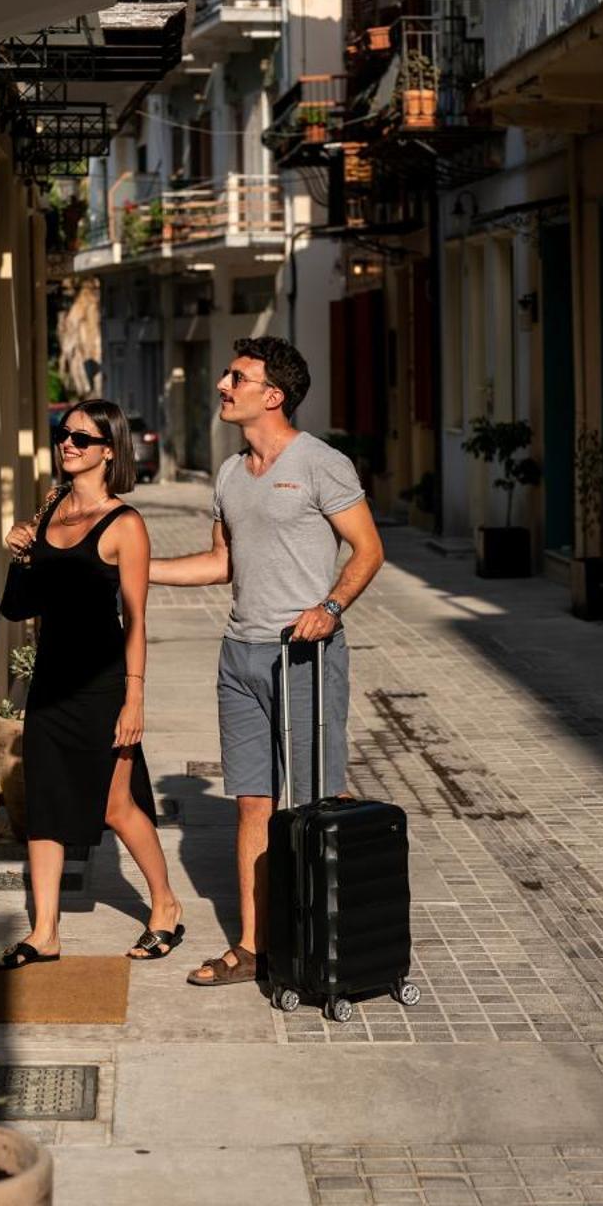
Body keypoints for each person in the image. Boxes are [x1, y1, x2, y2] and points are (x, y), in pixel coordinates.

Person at [148, 337, 384, 987]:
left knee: (311, 803)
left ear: (271, 396)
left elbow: (367, 550)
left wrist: (330, 608)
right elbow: (220, 564)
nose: (223, 385)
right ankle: (253, 948)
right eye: (227, 375)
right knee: (252, 804)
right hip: (240, 656)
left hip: (304, 656)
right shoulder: (228, 474)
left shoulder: (320, 465)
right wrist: (137, 568)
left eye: (237, 377)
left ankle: (322, 944)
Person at [0, 399, 183, 967]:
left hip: (103, 683)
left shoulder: (124, 524)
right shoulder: (50, 510)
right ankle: (46, 931)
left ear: (110, 450)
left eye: (82, 437)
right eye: (64, 433)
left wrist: (135, 697)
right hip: (52, 680)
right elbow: (17, 607)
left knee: (115, 804)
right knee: (47, 802)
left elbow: (136, 618)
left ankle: (167, 907)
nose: (69, 444)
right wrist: (20, 552)